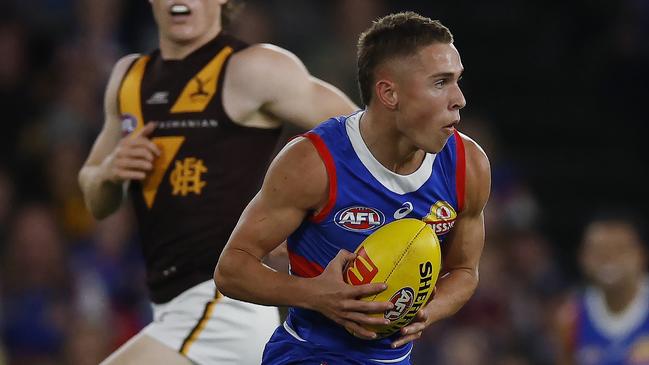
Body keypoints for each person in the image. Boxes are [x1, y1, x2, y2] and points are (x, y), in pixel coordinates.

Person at [77, 0, 357, 364]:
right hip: (169, 306)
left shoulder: (255, 67)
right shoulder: (129, 77)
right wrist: (110, 171)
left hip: (225, 302)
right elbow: (97, 200)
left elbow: (360, 137)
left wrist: (307, 222)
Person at [215, 11, 491, 364]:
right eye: (440, 83)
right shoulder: (312, 162)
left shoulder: (469, 165)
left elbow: (465, 272)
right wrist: (315, 295)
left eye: (457, 80)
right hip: (309, 351)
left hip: (392, 358)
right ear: (389, 93)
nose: (459, 98)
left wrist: (428, 310)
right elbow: (231, 268)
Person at [556, 212, 649, 365]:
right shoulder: (570, 318)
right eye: (599, 251)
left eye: (620, 249)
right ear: (582, 257)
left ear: (641, 255)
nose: (609, 259)